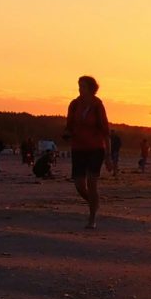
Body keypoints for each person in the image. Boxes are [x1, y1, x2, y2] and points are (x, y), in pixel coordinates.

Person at [66, 75, 112, 227]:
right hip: (78, 148)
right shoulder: (74, 104)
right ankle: (94, 202)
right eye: (79, 86)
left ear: (91, 89)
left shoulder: (97, 105)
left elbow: (105, 131)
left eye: (83, 86)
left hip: (95, 148)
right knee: (79, 185)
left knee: (92, 183)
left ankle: (92, 219)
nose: (80, 89)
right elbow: (69, 126)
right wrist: (67, 134)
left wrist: (108, 156)